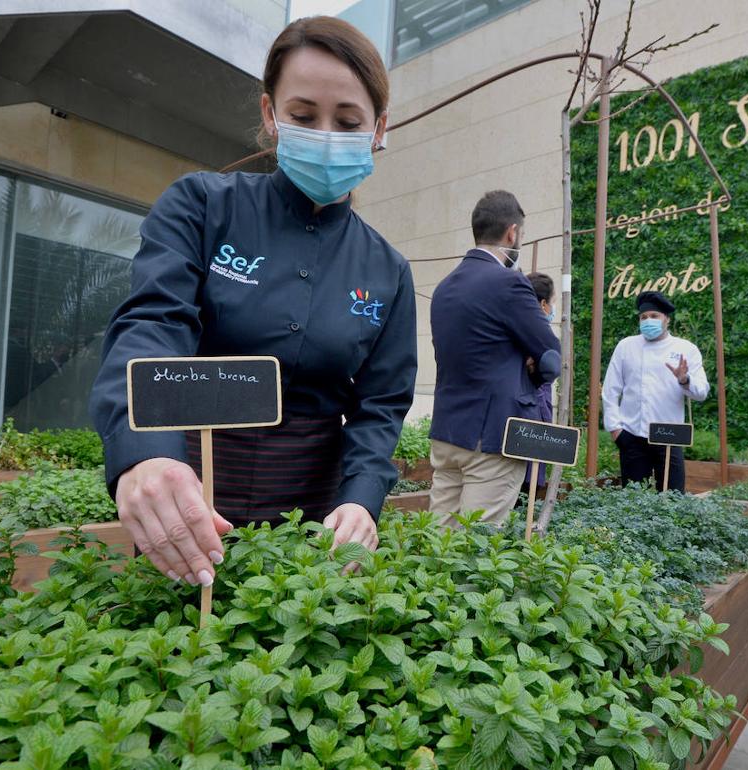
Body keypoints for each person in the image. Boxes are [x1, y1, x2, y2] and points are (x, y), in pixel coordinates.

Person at [90, 16, 416, 589]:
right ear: (270, 115)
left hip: (315, 517)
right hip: (191, 492)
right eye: (302, 116)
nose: (325, 134)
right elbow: (151, 323)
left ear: (378, 129)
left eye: (347, 121)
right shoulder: (202, 206)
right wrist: (145, 453)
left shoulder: (387, 269)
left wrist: (363, 500)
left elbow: (381, 404)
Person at [428, 191, 560, 525]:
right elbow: (550, 358)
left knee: (438, 542)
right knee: (476, 549)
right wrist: (531, 372)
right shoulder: (509, 283)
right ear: (512, 233)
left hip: (447, 433)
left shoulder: (444, 287)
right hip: (492, 437)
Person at [602, 291, 708, 492]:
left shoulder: (686, 349)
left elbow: (701, 392)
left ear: (666, 319)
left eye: (654, 316)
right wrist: (615, 430)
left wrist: (684, 380)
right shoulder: (626, 346)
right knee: (632, 501)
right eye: (644, 317)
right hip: (631, 434)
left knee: (673, 499)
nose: (648, 321)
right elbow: (610, 390)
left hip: (669, 436)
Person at [523, 271, 557, 490]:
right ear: (544, 304)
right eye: (553, 302)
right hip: (531, 417)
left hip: (534, 414)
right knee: (525, 486)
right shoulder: (536, 333)